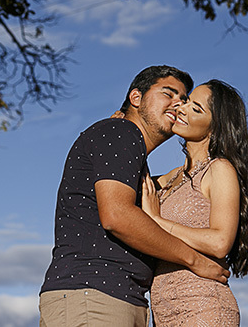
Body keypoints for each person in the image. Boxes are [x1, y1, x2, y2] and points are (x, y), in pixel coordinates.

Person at [39, 65, 230, 327]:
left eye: (184, 100)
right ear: (136, 98)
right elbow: (117, 216)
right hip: (94, 296)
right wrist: (195, 260)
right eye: (168, 93)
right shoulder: (121, 132)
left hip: (113, 299)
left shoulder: (129, 150)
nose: (178, 104)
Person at [142, 79, 248, 326]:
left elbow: (220, 242)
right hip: (163, 311)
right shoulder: (172, 177)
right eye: (187, 101)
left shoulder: (219, 170)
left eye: (196, 109)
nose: (182, 108)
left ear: (215, 127)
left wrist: (157, 221)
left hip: (204, 305)